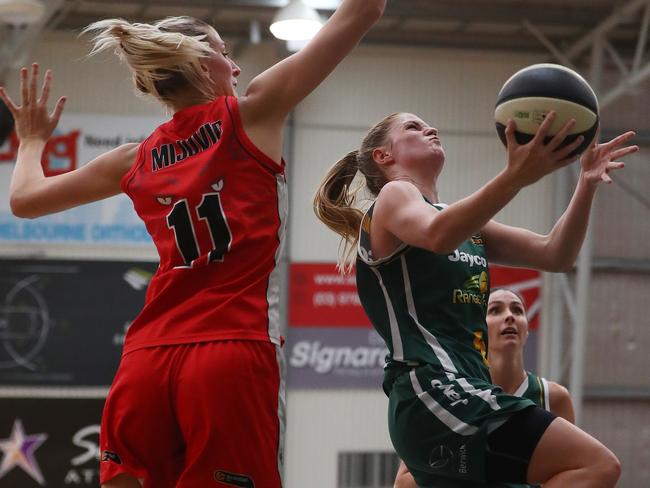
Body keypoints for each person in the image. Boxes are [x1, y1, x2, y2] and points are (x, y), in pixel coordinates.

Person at [0, 3, 386, 487]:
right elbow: (365, 9)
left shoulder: (133, 158)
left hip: (146, 358)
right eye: (226, 53)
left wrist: (32, 139)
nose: (238, 66)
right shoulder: (253, 112)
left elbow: (26, 200)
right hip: (229, 351)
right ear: (203, 65)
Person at [314, 110, 637, 487]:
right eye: (413, 127)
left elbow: (555, 254)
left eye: (428, 122)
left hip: (464, 391)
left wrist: (586, 183)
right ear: (384, 157)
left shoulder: (465, 224)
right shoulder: (394, 195)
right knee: (596, 464)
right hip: (433, 390)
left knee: (592, 466)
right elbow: (438, 235)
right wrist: (514, 177)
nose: (431, 127)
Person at [393, 287, 575, 488]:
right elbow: (403, 483)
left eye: (517, 310)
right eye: (495, 310)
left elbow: (571, 470)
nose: (509, 316)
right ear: (476, 329)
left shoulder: (554, 397)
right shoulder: (451, 391)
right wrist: (468, 464)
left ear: (527, 328)